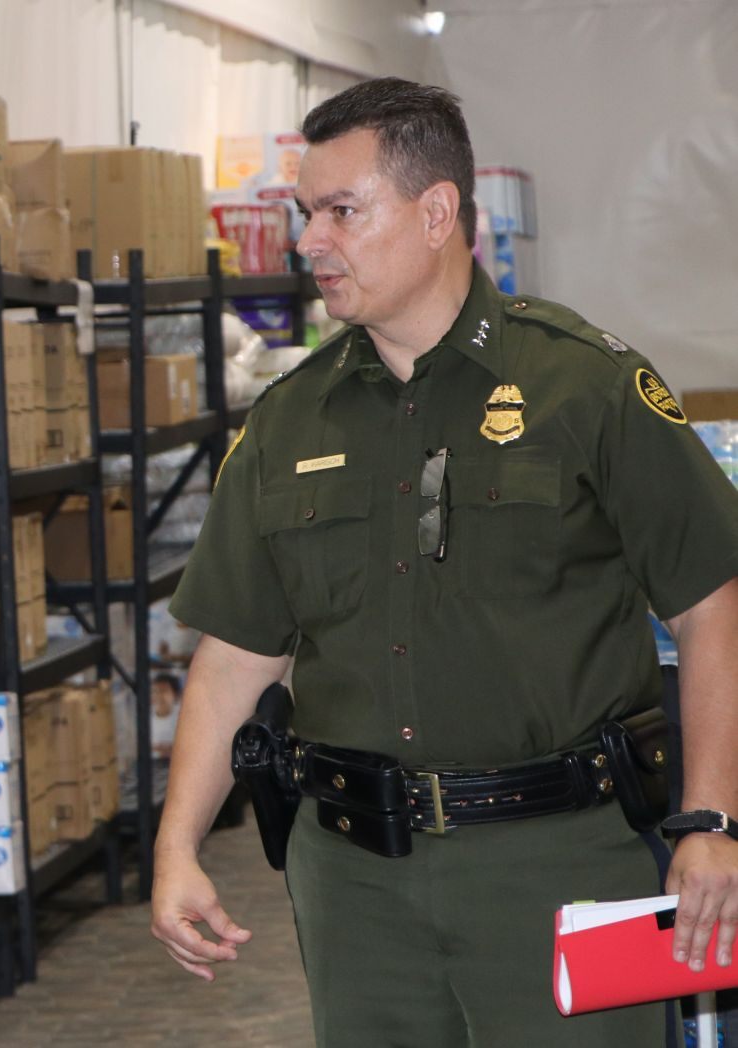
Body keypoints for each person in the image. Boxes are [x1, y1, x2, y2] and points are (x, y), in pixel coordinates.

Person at [150, 77, 738, 1046]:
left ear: (435, 214)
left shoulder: (581, 385)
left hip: (558, 861)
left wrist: (710, 822)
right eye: (306, 214)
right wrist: (174, 847)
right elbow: (234, 658)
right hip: (351, 879)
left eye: (342, 211)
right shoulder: (286, 420)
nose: (311, 241)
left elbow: (710, 603)